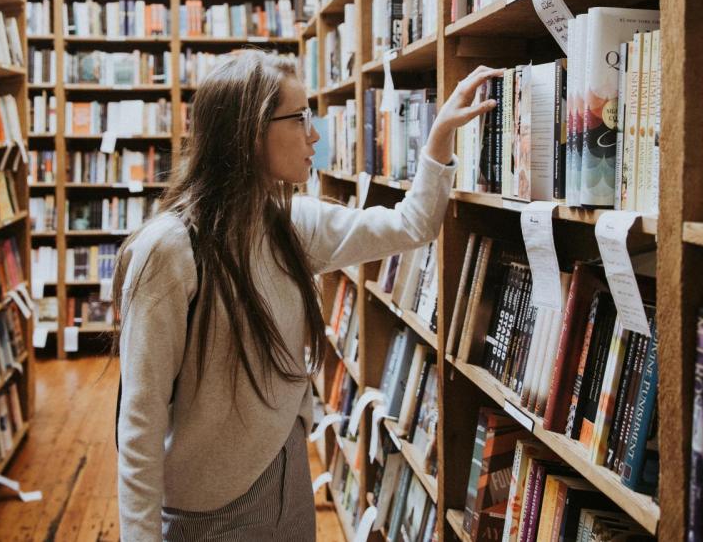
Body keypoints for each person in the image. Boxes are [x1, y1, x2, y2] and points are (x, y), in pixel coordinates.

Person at [114, 49, 500, 541]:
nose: (314, 134)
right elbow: (140, 420)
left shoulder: (293, 224)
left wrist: (441, 134)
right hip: (206, 511)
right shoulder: (168, 250)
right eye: (300, 118)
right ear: (250, 133)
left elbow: (413, 224)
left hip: (289, 477)